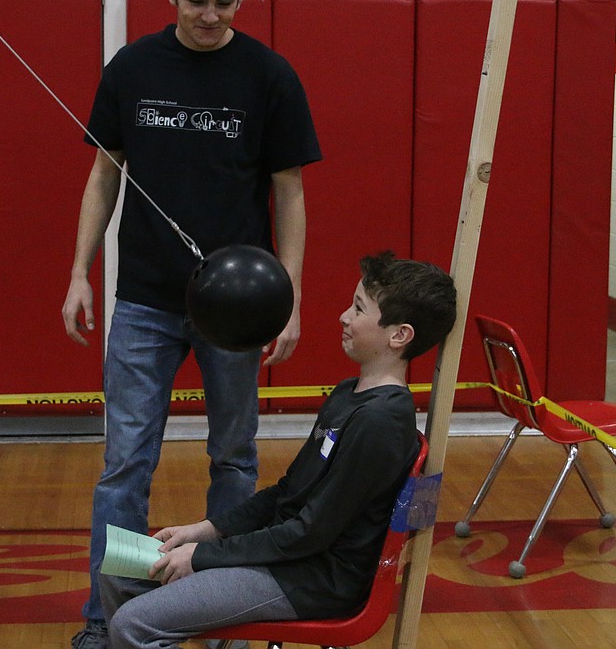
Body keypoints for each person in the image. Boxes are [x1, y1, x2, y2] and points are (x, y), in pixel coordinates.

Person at [62, 0, 322, 649]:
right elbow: (102, 176)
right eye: (198, 0)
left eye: (226, 2)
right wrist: (80, 273)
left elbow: (290, 191)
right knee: (124, 468)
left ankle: (225, 618)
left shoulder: (269, 76)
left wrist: (291, 296)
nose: (212, 15)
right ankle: (103, 619)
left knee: (234, 462)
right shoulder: (133, 67)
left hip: (236, 313)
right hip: (144, 301)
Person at [98, 251, 458, 649]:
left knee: (133, 625)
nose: (344, 316)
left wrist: (202, 556)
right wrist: (206, 530)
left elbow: (309, 534)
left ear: (399, 335)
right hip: (286, 556)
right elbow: (286, 491)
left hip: (310, 579)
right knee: (118, 570)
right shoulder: (346, 395)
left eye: (358, 309)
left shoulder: (381, 423)